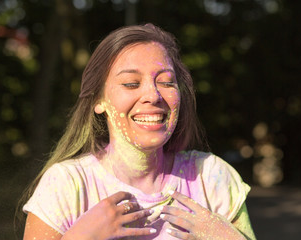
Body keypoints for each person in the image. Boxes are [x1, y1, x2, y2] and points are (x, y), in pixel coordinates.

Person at [22, 23, 256, 240]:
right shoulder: (65, 184)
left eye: (166, 82)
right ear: (99, 100)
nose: (153, 96)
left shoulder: (212, 178)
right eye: (131, 83)